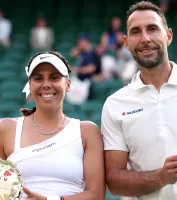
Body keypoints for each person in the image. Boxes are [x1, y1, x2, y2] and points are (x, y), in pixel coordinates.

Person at [101, 1, 177, 200]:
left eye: (153, 29)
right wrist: (161, 177)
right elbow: (114, 180)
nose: (145, 38)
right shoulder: (115, 105)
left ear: (168, 36)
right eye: (136, 32)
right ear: (126, 43)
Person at [0, 51, 105, 200]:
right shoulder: (5, 129)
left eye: (54, 78)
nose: (46, 84)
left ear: (68, 84)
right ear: (30, 86)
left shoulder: (87, 131)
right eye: (38, 78)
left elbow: (96, 195)